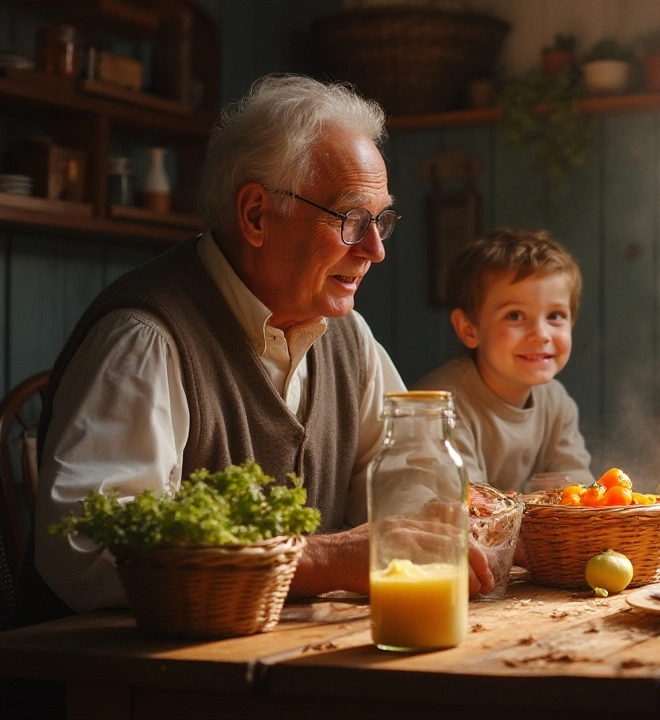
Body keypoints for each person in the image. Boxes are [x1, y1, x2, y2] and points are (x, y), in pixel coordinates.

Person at [32, 75, 493, 617]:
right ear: (256, 215)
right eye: (351, 219)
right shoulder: (146, 337)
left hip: (280, 661)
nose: (374, 249)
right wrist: (325, 559)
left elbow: (404, 473)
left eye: (381, 221)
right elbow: (86, 552)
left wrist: (435, 521)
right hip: (131, 680)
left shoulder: (348, 338)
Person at [413, 228, 593, 493]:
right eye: (515, 316)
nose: (541, 335)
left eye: (555, 316)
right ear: (468, 329)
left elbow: (578, 495)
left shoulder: (557, 402)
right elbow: (469, 508)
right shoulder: (438, 408)